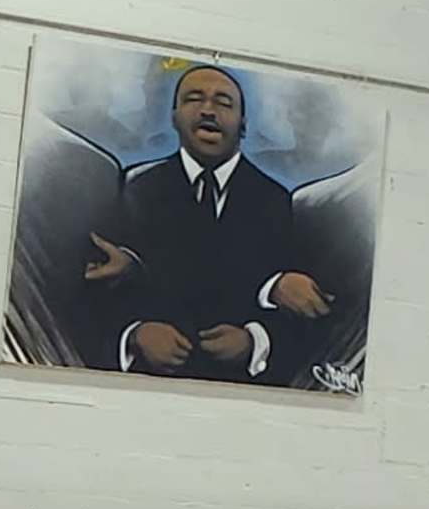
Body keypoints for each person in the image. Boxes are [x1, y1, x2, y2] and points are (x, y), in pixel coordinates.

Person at [95, 63, 349, 384]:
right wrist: (136, 335)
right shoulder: (133, 189)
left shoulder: (277, 202)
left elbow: (315, 315)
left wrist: (254, 341)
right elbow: (93, 301)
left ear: (242, 124)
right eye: (194, 99)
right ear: (174, 116)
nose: (208, 110)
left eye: (223, 102)